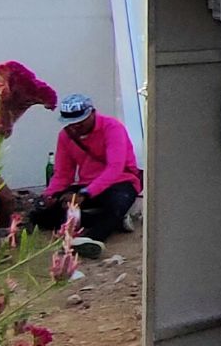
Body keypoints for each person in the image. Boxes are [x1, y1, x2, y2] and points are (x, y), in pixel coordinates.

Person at [30, 93, 141, 257]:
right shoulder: (65, 135)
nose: (74, 127)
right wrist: (49, 195)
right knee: (42, 216)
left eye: (79, 123)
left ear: (92, 114)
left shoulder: (112, 127)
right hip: (87, 185)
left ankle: (91, 239)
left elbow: (115, 168)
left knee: (116, 205)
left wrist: (85, 194)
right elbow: (63, 174)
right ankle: (115, 223)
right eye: (70, 124)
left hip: (120, 181)